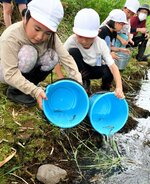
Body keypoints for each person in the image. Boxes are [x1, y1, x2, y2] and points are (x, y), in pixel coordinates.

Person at [0, 0, 82, 109]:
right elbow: (10, 73)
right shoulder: (11, 36)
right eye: (37, 29)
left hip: (26, 69)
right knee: (29, 53)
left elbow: (65, 57)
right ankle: (15, 91)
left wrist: (77, 81)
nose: (40, 37)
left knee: (53, 56)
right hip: (6, 71)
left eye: (47, 33)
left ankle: (28, 86)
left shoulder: (51, 37)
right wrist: (35, 91)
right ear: (25, 18)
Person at [55, 8, 125, 99]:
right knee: (73, 52)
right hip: (81, 69)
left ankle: (104, 90)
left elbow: (113, 67)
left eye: (88, 37)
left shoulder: (100, 43)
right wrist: (61, 79)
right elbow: (58, 60)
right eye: (80, 36)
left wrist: (119, 87)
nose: (84, 41)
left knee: (108, 70)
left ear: (97, 33)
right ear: (75, 32)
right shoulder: (72, 40)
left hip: (96, 69)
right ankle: (82, 82)